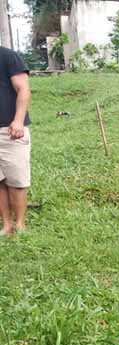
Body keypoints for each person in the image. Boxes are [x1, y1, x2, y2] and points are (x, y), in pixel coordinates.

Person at [0, 46, 31, 236]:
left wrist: (18, 120)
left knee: (17, 180)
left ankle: (20, 225)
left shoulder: (8, 56)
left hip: (11, 130)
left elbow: (24, 89)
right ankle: (6, 224)